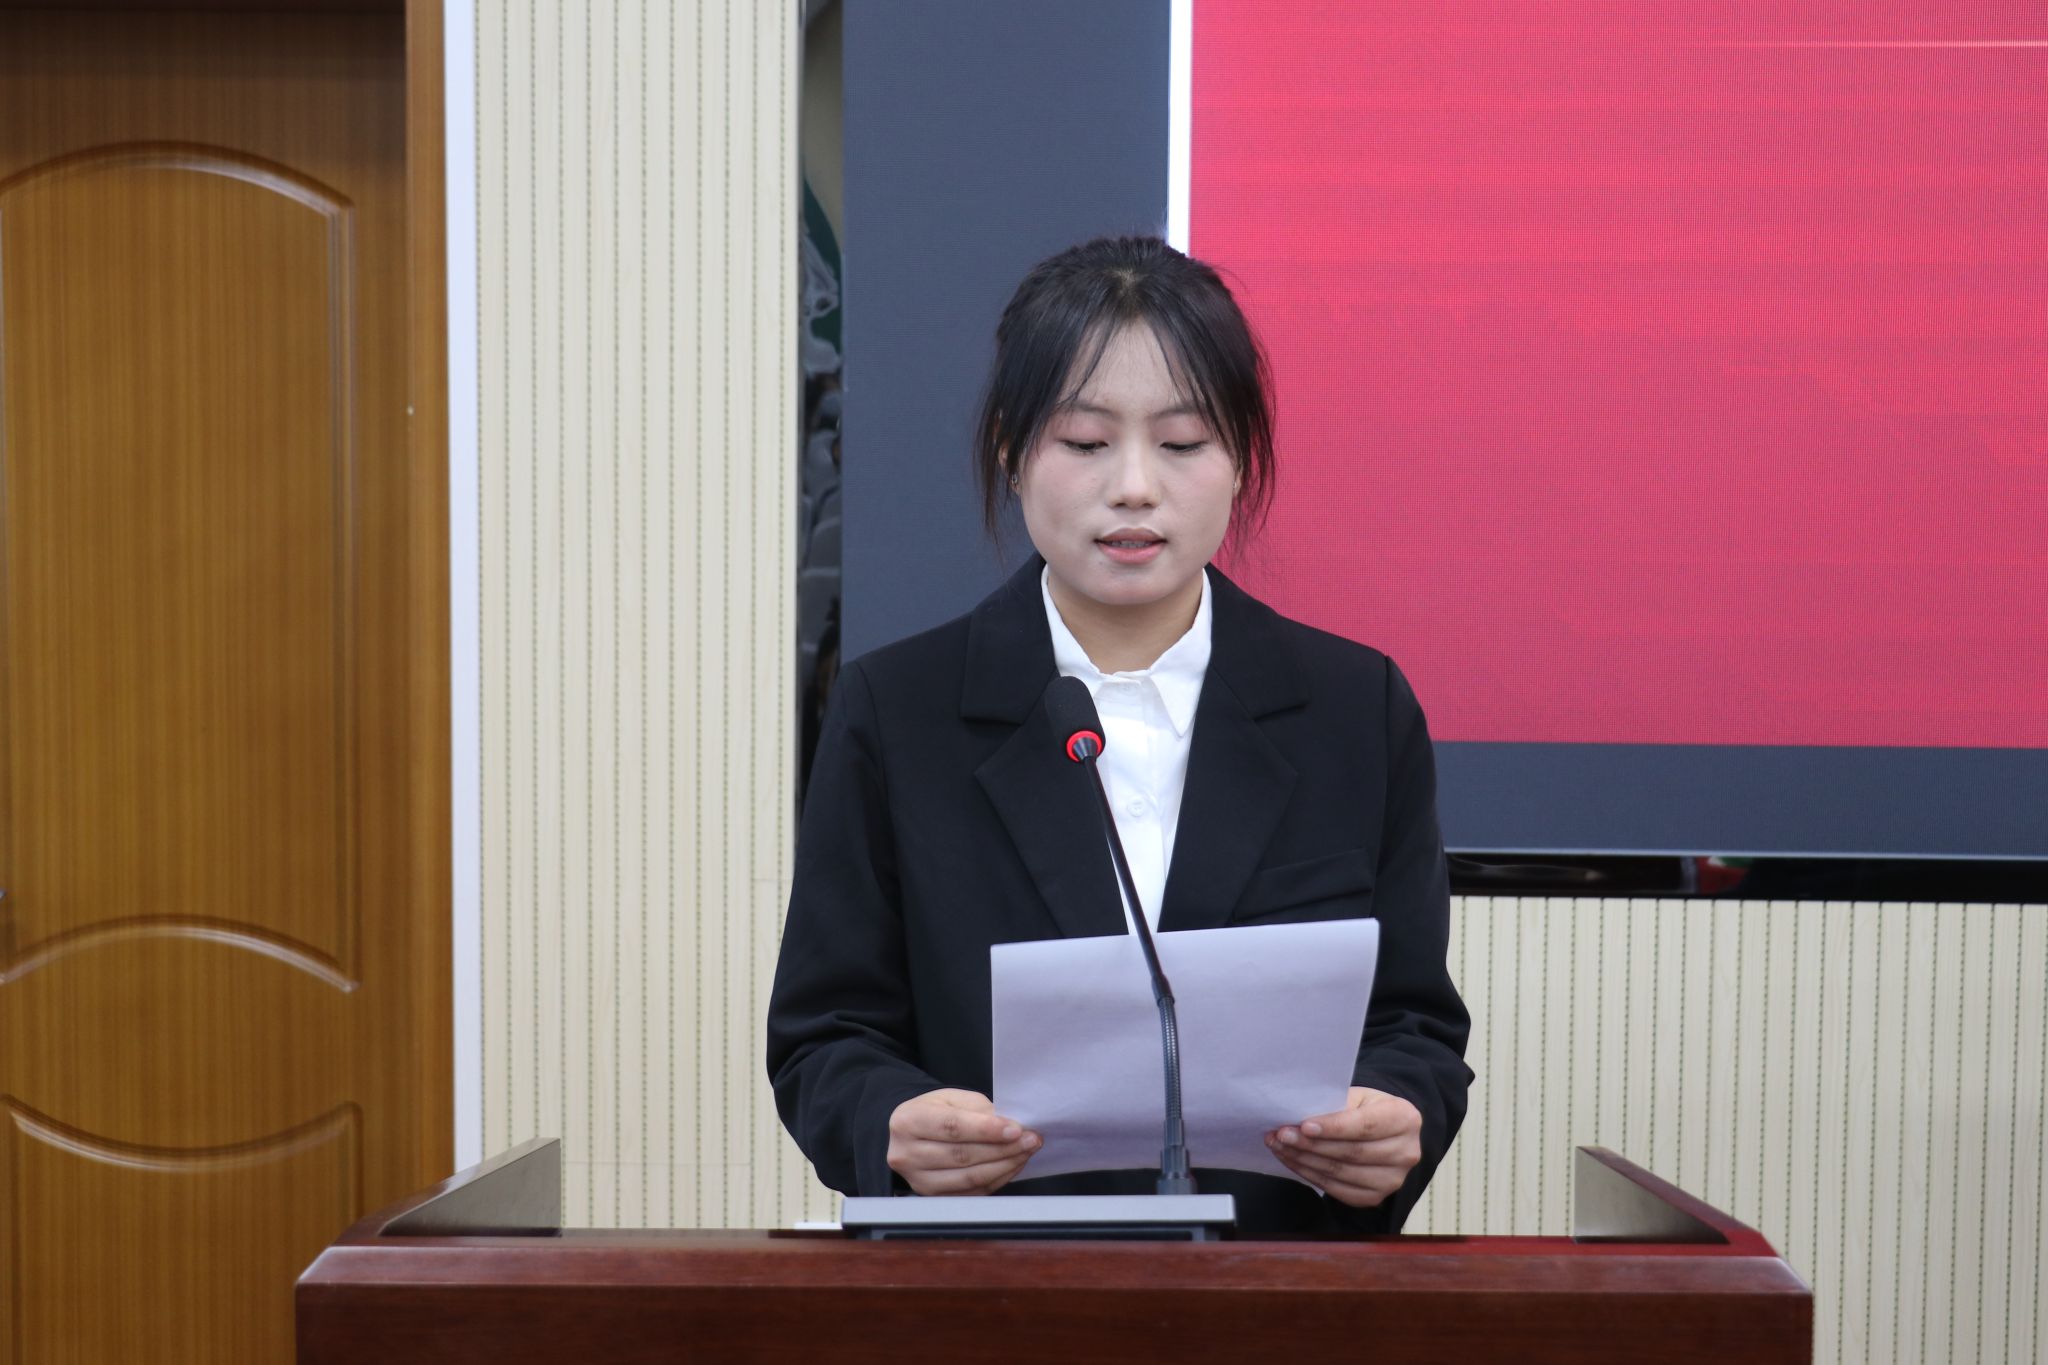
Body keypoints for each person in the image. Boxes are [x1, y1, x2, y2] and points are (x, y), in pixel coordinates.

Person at [766, 235, 1471, 1234]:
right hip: (987, 1284)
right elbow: (824, 1036)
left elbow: (1412, 1026)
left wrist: (1393, 1113)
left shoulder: (1355, 708)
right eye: (1085, 442)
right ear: (1010, 448)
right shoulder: (895, 709)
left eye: (1181, 443)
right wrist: (890, 1120)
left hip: (1275, 1284)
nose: (1134, 486)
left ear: (1241, 457)